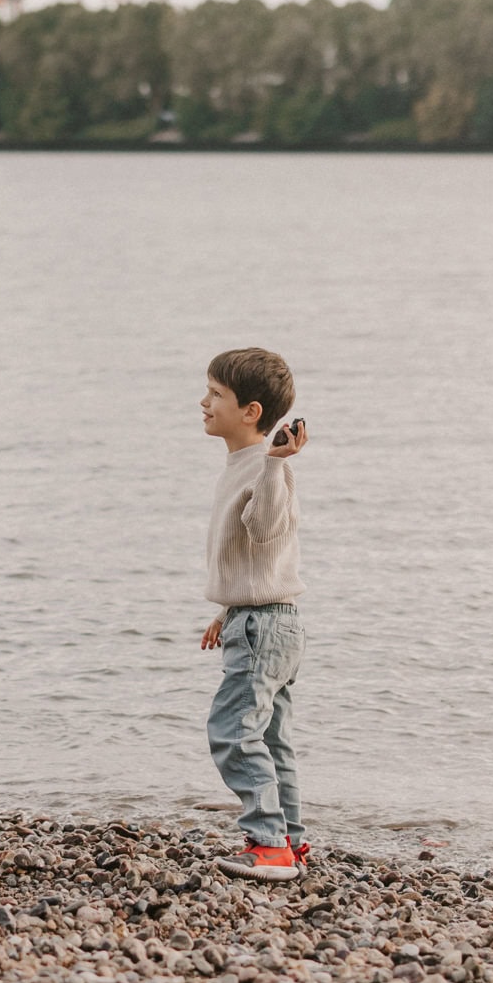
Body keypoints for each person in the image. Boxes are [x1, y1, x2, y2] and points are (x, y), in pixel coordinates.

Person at [196, 346, 309, 881]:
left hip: (265, 626)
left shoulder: (268, 469)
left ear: (251, 412)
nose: (203, 402)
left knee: (232, 730)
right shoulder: (245, 464)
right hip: (263, 617)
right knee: (269, 737)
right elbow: (256, 556)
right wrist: (226, 610)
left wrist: (276, 464)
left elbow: (265, 528)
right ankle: (290, 839)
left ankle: (268, 843)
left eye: (216, 394)